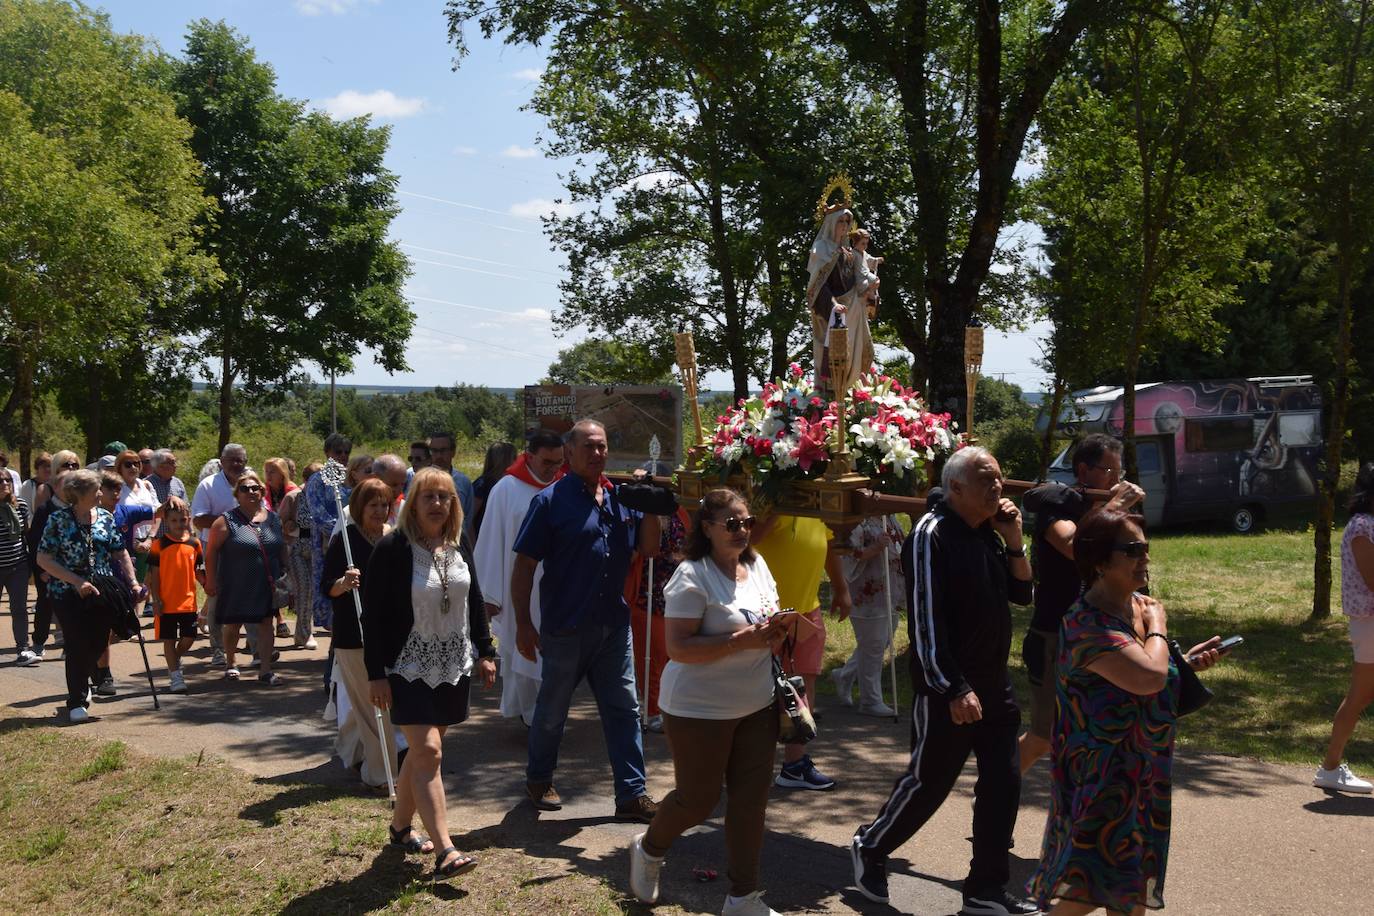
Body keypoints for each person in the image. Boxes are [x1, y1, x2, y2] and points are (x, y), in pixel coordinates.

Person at [851, 446, 1039, 916]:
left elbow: (1022, 594)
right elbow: (925, 621)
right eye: (986, 480)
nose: (998, 487)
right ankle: (871, 846)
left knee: (1004, 783)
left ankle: (985, 890)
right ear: (956, 487)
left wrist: (1014, 540)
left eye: (999, 478)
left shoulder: (989, 534)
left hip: (995, 685)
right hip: (948, 687)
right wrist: (952, 687)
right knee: (929, 784)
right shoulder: (931, 536)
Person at [1026, 509, 1222, 915]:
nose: (1145, 558)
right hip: (1102, 781)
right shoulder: (1086, 624)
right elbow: (1148, 677)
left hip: (1143, 774)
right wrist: (1159, 630)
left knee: (1128, 892)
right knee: (1087, 890)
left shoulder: (1136, 608)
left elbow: (1150, 669)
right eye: (1133, 550)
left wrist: (1181, 662)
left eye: (1146, 548)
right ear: (1099, 561)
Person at [628, 489, 791, 915]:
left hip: (757, 704)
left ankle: (742, 898)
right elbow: (678, 648)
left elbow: (765, 622)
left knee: (750, 803)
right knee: (697, 801)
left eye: (747, 523)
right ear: (707, 528)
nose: (742, 531)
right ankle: (648, 849)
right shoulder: (691, 574)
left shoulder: (756, 565)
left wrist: (779, 633)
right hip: (698, 709)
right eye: (731, 524)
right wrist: (744, 640)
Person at [511, 419, 661, 820]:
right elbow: (524, 565)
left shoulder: (619, 498)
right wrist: (524, 624)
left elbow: (648, 548)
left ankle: (631, 793)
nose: (597, 454)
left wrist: (649, 504)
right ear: (570, 453)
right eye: (589, 447)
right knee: (552, 711)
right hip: (565, 626)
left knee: (625, 709)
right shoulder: (549, 502)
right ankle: (539, 779)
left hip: (613, 624)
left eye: (603, 446)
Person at [363, 467, 497, 879]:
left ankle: (401, 828)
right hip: (406, 664)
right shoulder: (392, 549)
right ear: (413, 503)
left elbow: (473, 600)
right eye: (429, 497)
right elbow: (374, 617)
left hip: (453, 664)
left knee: (421, 756)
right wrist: (376, 674)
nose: (438, 504)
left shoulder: (459, 544)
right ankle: (446, 850)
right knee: (430, 752)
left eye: (445, 497)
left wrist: (486, 650)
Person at [1019, 435, 1144, 773]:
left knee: (1101, 725)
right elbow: (1075, 546)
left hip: (1103, 631)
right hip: (1055, 634)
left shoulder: (1107, 510)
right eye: (1108, 471)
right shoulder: (1057, 505)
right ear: (1083, 470)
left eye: (1120, 472)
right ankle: (997, 787)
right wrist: (1114, 508)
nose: (1116, 481)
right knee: (1044, 735)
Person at [752, 513, 851, 791]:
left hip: (807, 609)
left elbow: (828, 546)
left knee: (803, 686)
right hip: (765, 613)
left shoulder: (817, 505)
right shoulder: (772, 499)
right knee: (755, 689)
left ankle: (794, 766)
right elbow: (751, 539)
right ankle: (746, 765)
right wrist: (777, 506)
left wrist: (841, 588)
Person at [472, 429, 565, 726]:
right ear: (530, 455)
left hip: (556, 588)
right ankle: (531, 716)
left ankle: (549, 716)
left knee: (556, 656)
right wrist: (489, 595)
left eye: (558, 462)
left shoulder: (565, 486)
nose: (553, 469)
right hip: (521, 590)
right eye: (547, 462)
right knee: (524, 651)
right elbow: (490, 540)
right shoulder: (507, 488)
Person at [36, 470, 138, 723]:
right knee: (77, 642)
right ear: (80, 494)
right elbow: (43, 558)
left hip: (101, 590)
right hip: (66, 592)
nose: (101, 494)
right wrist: (76, 581)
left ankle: (84, 677)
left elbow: (119, 551)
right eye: (96, 490)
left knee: (98, 642)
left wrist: (133, 581)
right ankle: (77, 700)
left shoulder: (105, 517)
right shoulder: (58, 520)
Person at [324, 477, 400, 791]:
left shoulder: (395, 538)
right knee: (374, 707)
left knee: (369, 703)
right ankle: (381, 773)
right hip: (354, 635)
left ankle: (351, 750)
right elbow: (327, 587)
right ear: (359, 507)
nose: (380, 511)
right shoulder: (344, 539)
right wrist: (344, 583)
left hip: (390, 634)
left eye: (385, 504)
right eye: (373, 505)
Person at [1315, 461, 1374, 794]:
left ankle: (1330, 767)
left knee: (1362, 696)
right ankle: (1330, 767)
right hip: (1370, 622)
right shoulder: (1362, 526)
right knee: (1360, 696)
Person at [205, 469, 287, 685]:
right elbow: (211, 551)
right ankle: (231, 663)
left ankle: (266, 670)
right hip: (236, 581)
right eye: (245, 489)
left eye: (256, 488)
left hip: (266, 582)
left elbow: (281, 548)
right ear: (237, 494)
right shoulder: (225, 521)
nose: (251, 492)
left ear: (262, 492)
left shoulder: (274, 519)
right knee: (233, 624)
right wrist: (210, 580)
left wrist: (287, 574)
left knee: (266, 623)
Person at [832, 513, 906, 716]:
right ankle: (870, 700)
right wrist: (874, 549)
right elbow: (845, 554)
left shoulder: (888, 517)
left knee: (881, 641)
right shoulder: (857, 521)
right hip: (867, 594)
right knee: (873, 645)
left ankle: (844, 675)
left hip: (889, 591)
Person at [626, 503, 691, 732]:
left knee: (670, 657)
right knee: (651, 658)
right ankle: (652, 711)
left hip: (675, 597)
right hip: (647, 595)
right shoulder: (641, 512)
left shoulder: (679, 511)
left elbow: (687, 546)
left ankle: (670, 709)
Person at [193, 444, 250, 666]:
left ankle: (255, 648)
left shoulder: (251, 484)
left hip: (247, 549)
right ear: (221, 461)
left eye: (240, 460)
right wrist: (229, 522)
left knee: (249, 595)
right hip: (216, 549)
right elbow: (198, 519)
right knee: (216, 597)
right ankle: (218, 649)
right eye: (232, 460)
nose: (236, 464)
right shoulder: (208, 485)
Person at [23, 460, 79, 665]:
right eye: (64, 484)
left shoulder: (77, 510)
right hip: (46, 569)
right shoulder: (45, 509)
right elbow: (34, 540)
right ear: (55, 487)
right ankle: (38, 644)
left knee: (71, 608)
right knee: (45, 606)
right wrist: (42, 570)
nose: (69, 489)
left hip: (71, 569)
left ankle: (69, 646)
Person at [146, 497, 204, 694]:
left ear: (188, 519)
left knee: (189, 638)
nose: (179, 524)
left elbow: (198, 570)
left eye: (183, 520)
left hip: (188, 601)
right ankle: (175, 676)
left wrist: (208, 584)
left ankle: (175, 659)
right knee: (168, 639)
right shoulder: (159, 545)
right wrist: (156, 599)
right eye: (174, 521)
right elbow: (154, 575)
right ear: (167, 522)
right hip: (166, 601)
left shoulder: (195, 543)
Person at [303, 433, 353, 632]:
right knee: (331, 585)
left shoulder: (353, 477)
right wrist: (343, 530)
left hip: (353, 540)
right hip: (327, 544)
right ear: (327, 453)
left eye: (346, 452)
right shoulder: (318, 479)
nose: (342, 455)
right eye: (337, 451)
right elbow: (318, 514)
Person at [280, 462, 320, 650]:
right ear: (305, 479)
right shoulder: (294, 496)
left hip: (317, 549)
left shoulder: (323, 497)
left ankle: (300, 633)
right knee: (305, 588)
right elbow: (280, 523)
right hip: (296, 549)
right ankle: (306, 633)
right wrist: (289, 526)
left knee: (312, 591)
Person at [1, 473, 34, 662]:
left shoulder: (19, 504)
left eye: (7, 480)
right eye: (0, 481)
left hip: (18, 565)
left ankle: (23, 649)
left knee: (19, 608)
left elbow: (26, 534)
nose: (5, 483)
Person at [426, 431, 476, 540]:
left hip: (456, 543)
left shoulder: (463, 482)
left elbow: (468, 522)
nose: (439, 455)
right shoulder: (421, 482)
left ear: (453, 452)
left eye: (443, 450)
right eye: (434, 451)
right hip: (427, 543)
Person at [471, 441, 516, 538]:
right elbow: (469, 518)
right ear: (504, 460)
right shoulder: (482, 485)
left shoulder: (512, 484)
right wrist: (473, 547)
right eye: (514, 458)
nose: (516, 462)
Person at [371, 454, 408, 525]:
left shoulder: (406, 510)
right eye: (394, 485)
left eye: (403, 484)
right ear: (375, 479)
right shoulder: (358, 510)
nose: (400, 491)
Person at [18, 451, 51, 521]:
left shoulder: (56, 485)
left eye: (50, 466)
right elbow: (26, 511)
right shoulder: (28, 485)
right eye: (44, 466)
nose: (48, 469)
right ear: (37, 468)